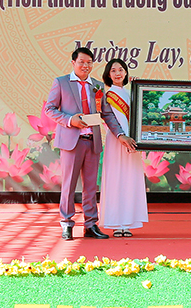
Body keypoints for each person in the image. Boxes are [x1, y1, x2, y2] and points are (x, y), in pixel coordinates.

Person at [43, 46, 135, 240]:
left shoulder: (97, 86)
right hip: (71, 142)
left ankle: (91, 225)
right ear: (73, 63)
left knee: (91, 187)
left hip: (92, 141)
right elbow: (49, 109)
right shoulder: (61, 82)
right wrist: (70, 120)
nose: (85, 65)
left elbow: (107, 115)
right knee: (68, 185)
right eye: (81, 62)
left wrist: (120, 135)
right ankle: (66, 223)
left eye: (89, 62)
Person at [99, 57, 147, 237]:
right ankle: (116, 223)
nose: (117, 73)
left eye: (120, 70)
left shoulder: (131, 93)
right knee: (116, 180)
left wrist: (139, 87)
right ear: (108, 75)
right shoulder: (107, 95)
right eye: (113, 70)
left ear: (126, 73)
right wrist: (121, 136)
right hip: (116, 141)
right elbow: (109, 118)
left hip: (132, 141)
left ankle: (128, 223)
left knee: (130, 180)